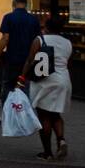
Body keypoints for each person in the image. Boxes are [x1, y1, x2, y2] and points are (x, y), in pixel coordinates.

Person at [27, 19, 72, 160]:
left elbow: (30, 61)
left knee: (44, 116)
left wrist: (22, 78)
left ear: (45, 27)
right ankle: (61, 140)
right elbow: (67, 62)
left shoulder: (39, 40)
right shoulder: (67, 43)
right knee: (55, 114)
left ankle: (47, 153)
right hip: (63, 80)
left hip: (45, 81)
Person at [0, 0, 41, 115]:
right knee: (25, 86)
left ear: (13, 3)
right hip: (28, 60)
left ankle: (7, 114)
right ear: (25, 4)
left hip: (12, 59)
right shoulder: (33, 20)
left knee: (8, 86)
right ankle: (25, 114)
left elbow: (5, 38)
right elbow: (38, 40)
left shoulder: (8, 17)